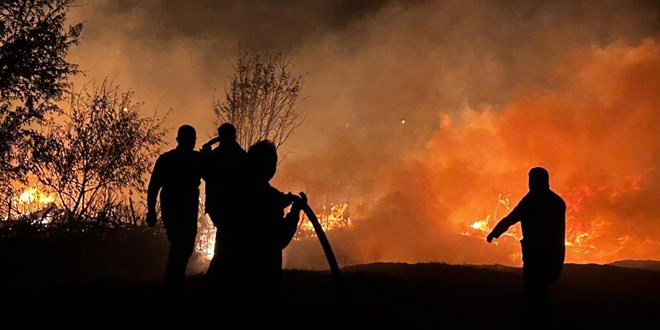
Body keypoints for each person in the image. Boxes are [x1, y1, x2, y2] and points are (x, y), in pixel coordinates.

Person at [487, 167, 566, 322]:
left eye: (532, 179)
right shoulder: (555, 201)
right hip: (546, 253)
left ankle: (535, 319)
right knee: (539, 290)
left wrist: (494, 233)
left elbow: (511, 218)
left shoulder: (532, 201)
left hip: (537, 254)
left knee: (535, 290)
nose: (530, 183)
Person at [146, 124, 202, 293]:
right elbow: (154, 186)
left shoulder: (171, 159)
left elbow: (154, 186)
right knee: (181, 244)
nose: (190, 142)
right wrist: (151, 210)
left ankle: (174, 282)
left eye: (192, 140)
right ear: (180, 140)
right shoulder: (194, 159)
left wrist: (152, 210)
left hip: (178, 207)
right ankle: (174, 283)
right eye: (189, 139)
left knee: (183, 245)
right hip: (179, 207)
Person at [200, 123, 248, 281]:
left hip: (218, 205)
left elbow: (205, 174)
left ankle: (219, 273)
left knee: (225, 237)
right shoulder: (241, 155)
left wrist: (206, 155)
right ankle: (224, 273)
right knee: (229, 238)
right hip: (235, 205)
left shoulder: (216, 155)